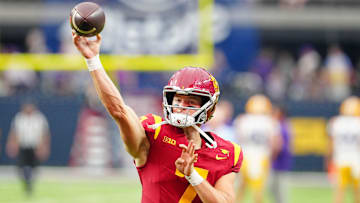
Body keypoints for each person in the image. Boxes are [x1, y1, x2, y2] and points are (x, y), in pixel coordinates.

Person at [72, 32, 243, 203]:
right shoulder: (154, 132)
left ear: (209, 108)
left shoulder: (227, 151)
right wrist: (93, 60)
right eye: (177, 100)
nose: (181, 107)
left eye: (190, 102)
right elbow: (119, 112)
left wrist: (192, 175)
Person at [234, 94, 281, 203]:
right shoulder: (271, 122)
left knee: (240, 188)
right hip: (262, 156)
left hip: (245, 156)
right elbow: (275, 143)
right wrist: (271, 157)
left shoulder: (242, 120)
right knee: (258, 190)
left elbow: (238, 139)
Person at [6, 101, 51, 195]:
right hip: (23, 146)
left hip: (35, 146)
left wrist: (44, 147)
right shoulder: (19, 118)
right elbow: (14, 133)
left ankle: (30, 183)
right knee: (21, 167)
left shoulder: (39, 118)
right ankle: (27, 182)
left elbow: (45, 134)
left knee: (34, 167)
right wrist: (12, 145)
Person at [326, 96, 360, 203]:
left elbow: (330, 145)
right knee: (357, 191)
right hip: (356, 160)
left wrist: (328, 160)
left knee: (340, 191)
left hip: (340, 159)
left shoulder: (336, 122)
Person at [271, 105, 292, 203]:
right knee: (275, 190)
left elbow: (279, 146)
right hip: (280, 162)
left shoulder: (281, 127)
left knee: (279, 191)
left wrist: (271, 157)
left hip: (280, 162)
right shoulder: (284, 125)